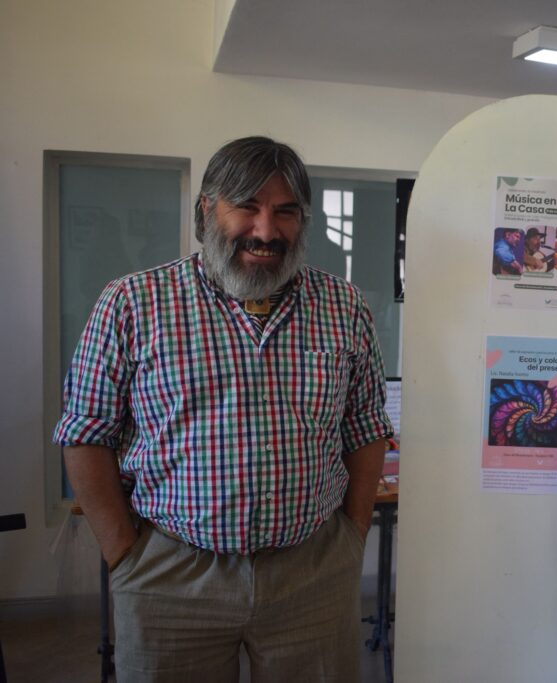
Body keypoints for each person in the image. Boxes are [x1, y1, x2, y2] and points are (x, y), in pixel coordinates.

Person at [54, 136, 393, 682]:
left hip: (313, 573)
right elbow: (85, 433)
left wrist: (351, 538)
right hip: (171, 577)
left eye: (285, 212)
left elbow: (365, 427)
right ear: (207, 210)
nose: (266, 230)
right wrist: (125, 556)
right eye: (247, 207)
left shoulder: (343, 306)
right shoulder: (133, 303)